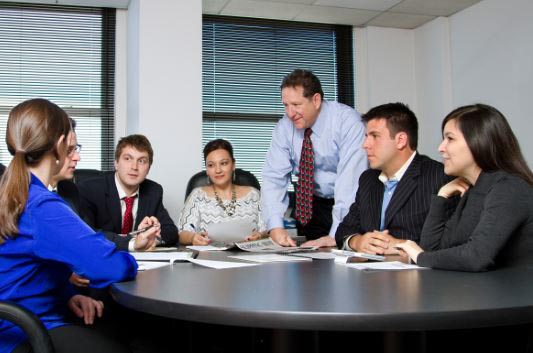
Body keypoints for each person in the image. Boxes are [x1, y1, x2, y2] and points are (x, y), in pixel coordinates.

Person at [0, 98, 137, 353]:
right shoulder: (41, 206)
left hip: (18, 321)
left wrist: (67, 296)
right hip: (23, 333)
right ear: (60, 143)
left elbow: (24, 272)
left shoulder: (15, 193)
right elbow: (112, 267)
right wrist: (131, 260)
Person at [396, 104, 533, 271]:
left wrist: (418, 256)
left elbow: (476, 256)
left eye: (450, 138)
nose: (441, 148)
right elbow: (433, 249)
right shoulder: (472, 189)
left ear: (479, 141)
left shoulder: (509, 187)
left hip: (516, 295)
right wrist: (442, 195)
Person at [262, 69, 367, 248]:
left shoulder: (347, 122)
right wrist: (275, 226)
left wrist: (337, 234)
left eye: (296, 104)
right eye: (285, 105)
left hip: (350, 205)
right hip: (311, 205)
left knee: (344, 262)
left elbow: (349, 184)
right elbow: (274, 178)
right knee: (310, 265)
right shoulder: (284, 128)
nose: (290, 112)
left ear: (316, 100)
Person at [335, 102, 453, 253]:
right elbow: (343, 231)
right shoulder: (368, 179)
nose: (365, 144)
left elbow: (448, 242)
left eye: (375, 136)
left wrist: (402, 245)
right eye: (366, 136)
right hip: (369, 273)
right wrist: (357, 242)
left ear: (401, 140)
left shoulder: (439, 177)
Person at [78, 134, 178, 252]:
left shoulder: (153, 190)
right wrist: (133, 243)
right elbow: (87, 233)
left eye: (141, 161)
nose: (134, 167)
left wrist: (151, 237)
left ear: (149, 168)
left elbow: (171, 232)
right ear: (116, 163)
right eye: (127, 158)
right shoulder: (90, 189)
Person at [178, 139, 266, 245]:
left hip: (250, 257)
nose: (218, 170)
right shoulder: (197, 196)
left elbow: (271, 230)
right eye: (211, 165)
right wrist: (193, 238)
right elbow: (181, 234)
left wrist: (260, 236)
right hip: (209, 257)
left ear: (233, 165)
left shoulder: (254, 195)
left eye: (223, 163)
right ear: (207, 170)